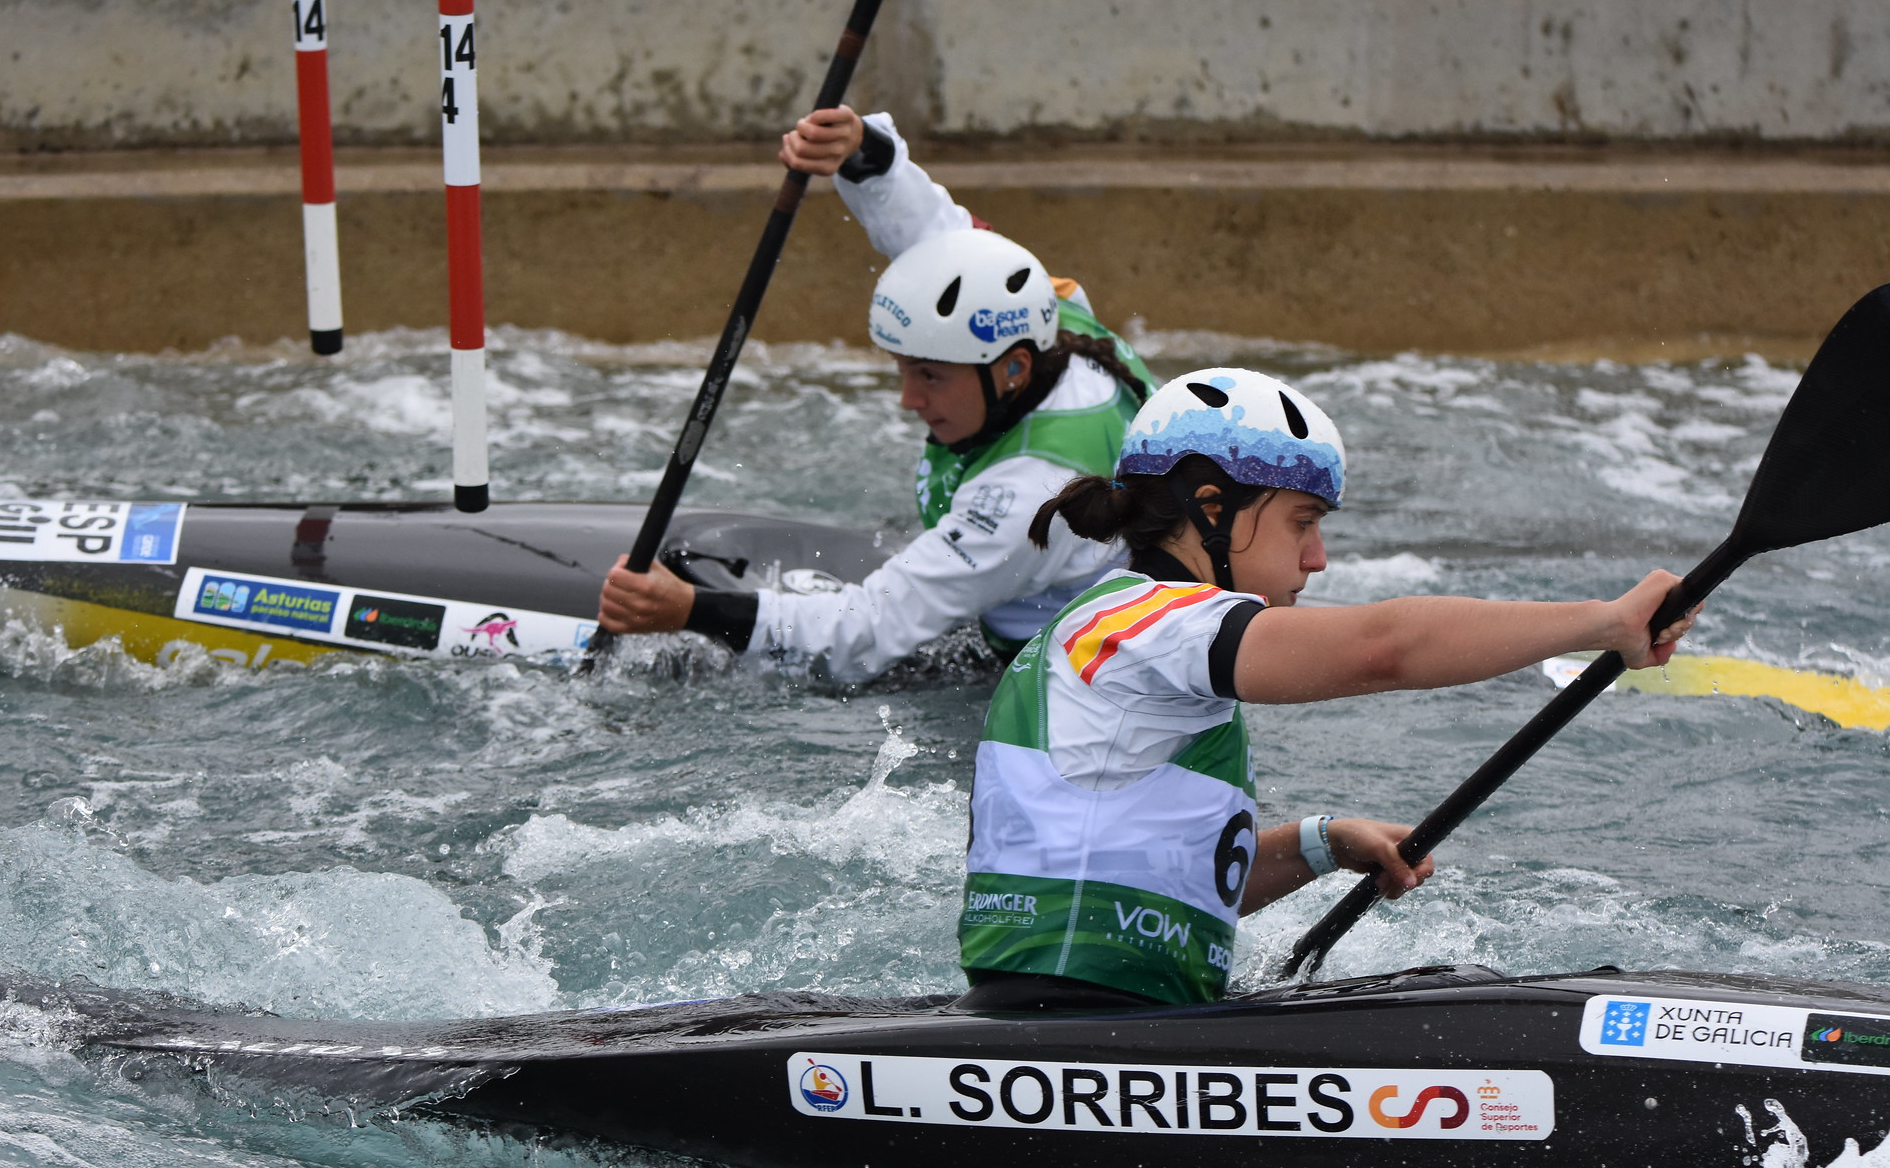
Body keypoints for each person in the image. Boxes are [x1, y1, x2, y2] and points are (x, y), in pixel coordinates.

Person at [955, 368, 1699, 1010]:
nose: (1317, 557)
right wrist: (1604, 621)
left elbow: (1141, 887)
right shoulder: (1150, 625)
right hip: (1083, 1016)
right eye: (1302, 521)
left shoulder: (1117, 629)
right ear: (1211, 509)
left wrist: (1320, 844)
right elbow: (1386, 649)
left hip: (1069, 1001)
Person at [597, 126, 1156, 681]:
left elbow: (864, 634)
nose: (908, 399)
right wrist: (866, 153)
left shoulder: (1029, 495)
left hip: (1054, 681)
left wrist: (687, 610)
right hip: (1066, 585)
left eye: (930, 376)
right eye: (903, 369)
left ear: (1013, 368)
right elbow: (945, 241)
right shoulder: (1054, 314)